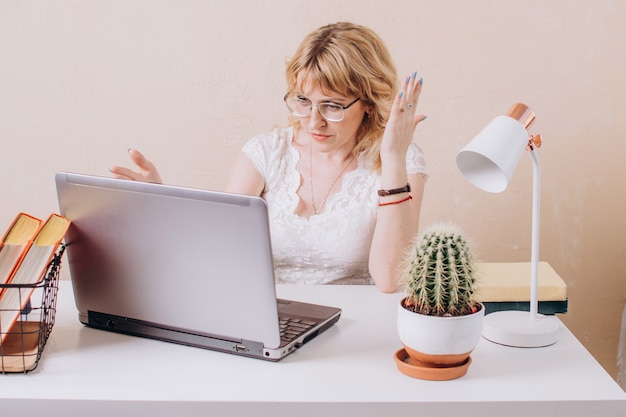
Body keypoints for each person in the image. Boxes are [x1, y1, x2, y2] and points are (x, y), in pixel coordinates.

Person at [110, 22, 427, 293]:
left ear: (368, 103)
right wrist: (163, 203)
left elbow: (389, 279)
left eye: (332, 106)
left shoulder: (402, 160)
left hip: (358, 331)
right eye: (303, 100)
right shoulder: (267, 152)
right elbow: (215, 247)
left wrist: (394, 160)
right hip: (274, 321)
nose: (313, 120)